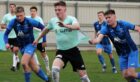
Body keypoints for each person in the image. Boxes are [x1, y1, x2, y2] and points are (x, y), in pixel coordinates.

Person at [33, 1, 90, 82]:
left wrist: (65, 25)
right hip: (61, 51)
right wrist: (37, 39)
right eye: (55, 10)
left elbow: (77, 26)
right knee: (54, 69)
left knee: (84, 77)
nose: (57, 12)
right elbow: (45, 30)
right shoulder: (53, 21)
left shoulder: (71, 19)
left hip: (73, 51)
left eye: (59, 10)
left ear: (65, 9)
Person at [89, 9, 140, 82]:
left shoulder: (123, 24)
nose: (107, 19)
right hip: (121, 54)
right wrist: (93, 41)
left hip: (131, 51)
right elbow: (98, 39)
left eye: (109, 17)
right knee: (126, 76)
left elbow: (137, 28)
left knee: (130, 73)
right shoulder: (106, 27)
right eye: (106, 18)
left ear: (115, 17)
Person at [4, 6, 50, 82]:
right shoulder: (13, 22)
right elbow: (6, 34)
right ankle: (47, 79)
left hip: (31, 45)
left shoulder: (30, 21)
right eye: (17, 16)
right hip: (22, 47)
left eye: (21, 15)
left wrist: (44, 40)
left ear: (24, 14)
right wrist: (6, 43)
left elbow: (43, 28)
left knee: (24, 62)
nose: (19, 18)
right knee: (35, 68)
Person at [28, 6, 51, 75]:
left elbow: (44, 29)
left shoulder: (39, 19)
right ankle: (38, 64)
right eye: (31, 11)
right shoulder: (28, 19)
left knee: (43, 54)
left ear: (36, 12)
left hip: (39, 40)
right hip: (31, 40)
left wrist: (44, 40)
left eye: (34, 11)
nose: (32, 12)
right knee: (32, 53)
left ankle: (48, 68)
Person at [1, 3, 20, 71]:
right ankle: (18, 60)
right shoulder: (6, 16)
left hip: (16, 36)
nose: (12, 8)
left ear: (15, 8)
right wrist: (8, 26)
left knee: (15, 50)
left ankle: (14, 66)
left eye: (13, 7)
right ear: (9, 8)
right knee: (13, 51)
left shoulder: (17, 16)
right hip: (8, 36)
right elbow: (2, 25)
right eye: (11, 7)